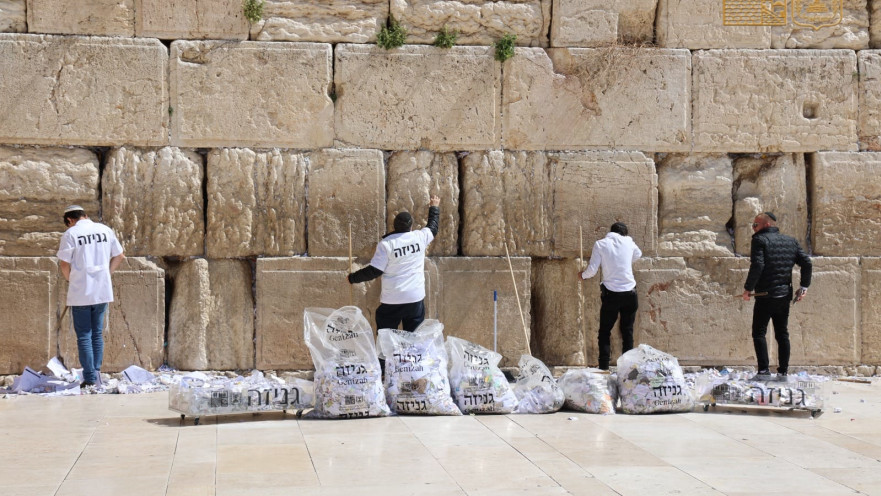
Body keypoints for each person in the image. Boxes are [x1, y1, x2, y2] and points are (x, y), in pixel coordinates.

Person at [348, 195, 440, 331]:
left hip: (393, 298)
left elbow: (374, 271)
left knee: (386, 337)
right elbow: (433, 227)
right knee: (413, 338)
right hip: (414, 297)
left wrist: (352, 278)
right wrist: (434, 207)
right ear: (411, 226)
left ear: (394, 226)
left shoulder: (386, 244)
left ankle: (387, 353)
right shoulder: (419, 237)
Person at [56, 205, 125, 387]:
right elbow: (119, 256)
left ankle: (90, 377)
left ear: (70, 220)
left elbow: (64, 264)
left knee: (84, 336)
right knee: (97, 334)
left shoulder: (70, 234)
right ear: (85, 215)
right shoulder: (105, 230)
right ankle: (96, 372)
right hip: (102, 290)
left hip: (81, 291)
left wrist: (72, 280)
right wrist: (106, 275)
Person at [742, 212, 811, 380]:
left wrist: (747, 289)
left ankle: (764, 371)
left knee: (759, 333)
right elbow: (807, 263)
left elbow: (758, 265)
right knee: (782, 333)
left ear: (766, 225)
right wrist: (803, 287)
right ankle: (783, 373)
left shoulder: (759, 240)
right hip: (784, 296)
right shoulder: (791, 241)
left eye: (755, 225)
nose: (753, 228)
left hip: (765, 295)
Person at [578, 222, 642, 370]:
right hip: (630, 293)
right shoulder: (629, 241)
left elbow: (592, 270)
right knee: (627, 331)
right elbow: (638, 254)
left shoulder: (600, 244)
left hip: (612, 295)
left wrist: (582, 275)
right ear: (624, 233)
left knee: (605, 331)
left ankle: (604, 366)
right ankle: (628, 369)